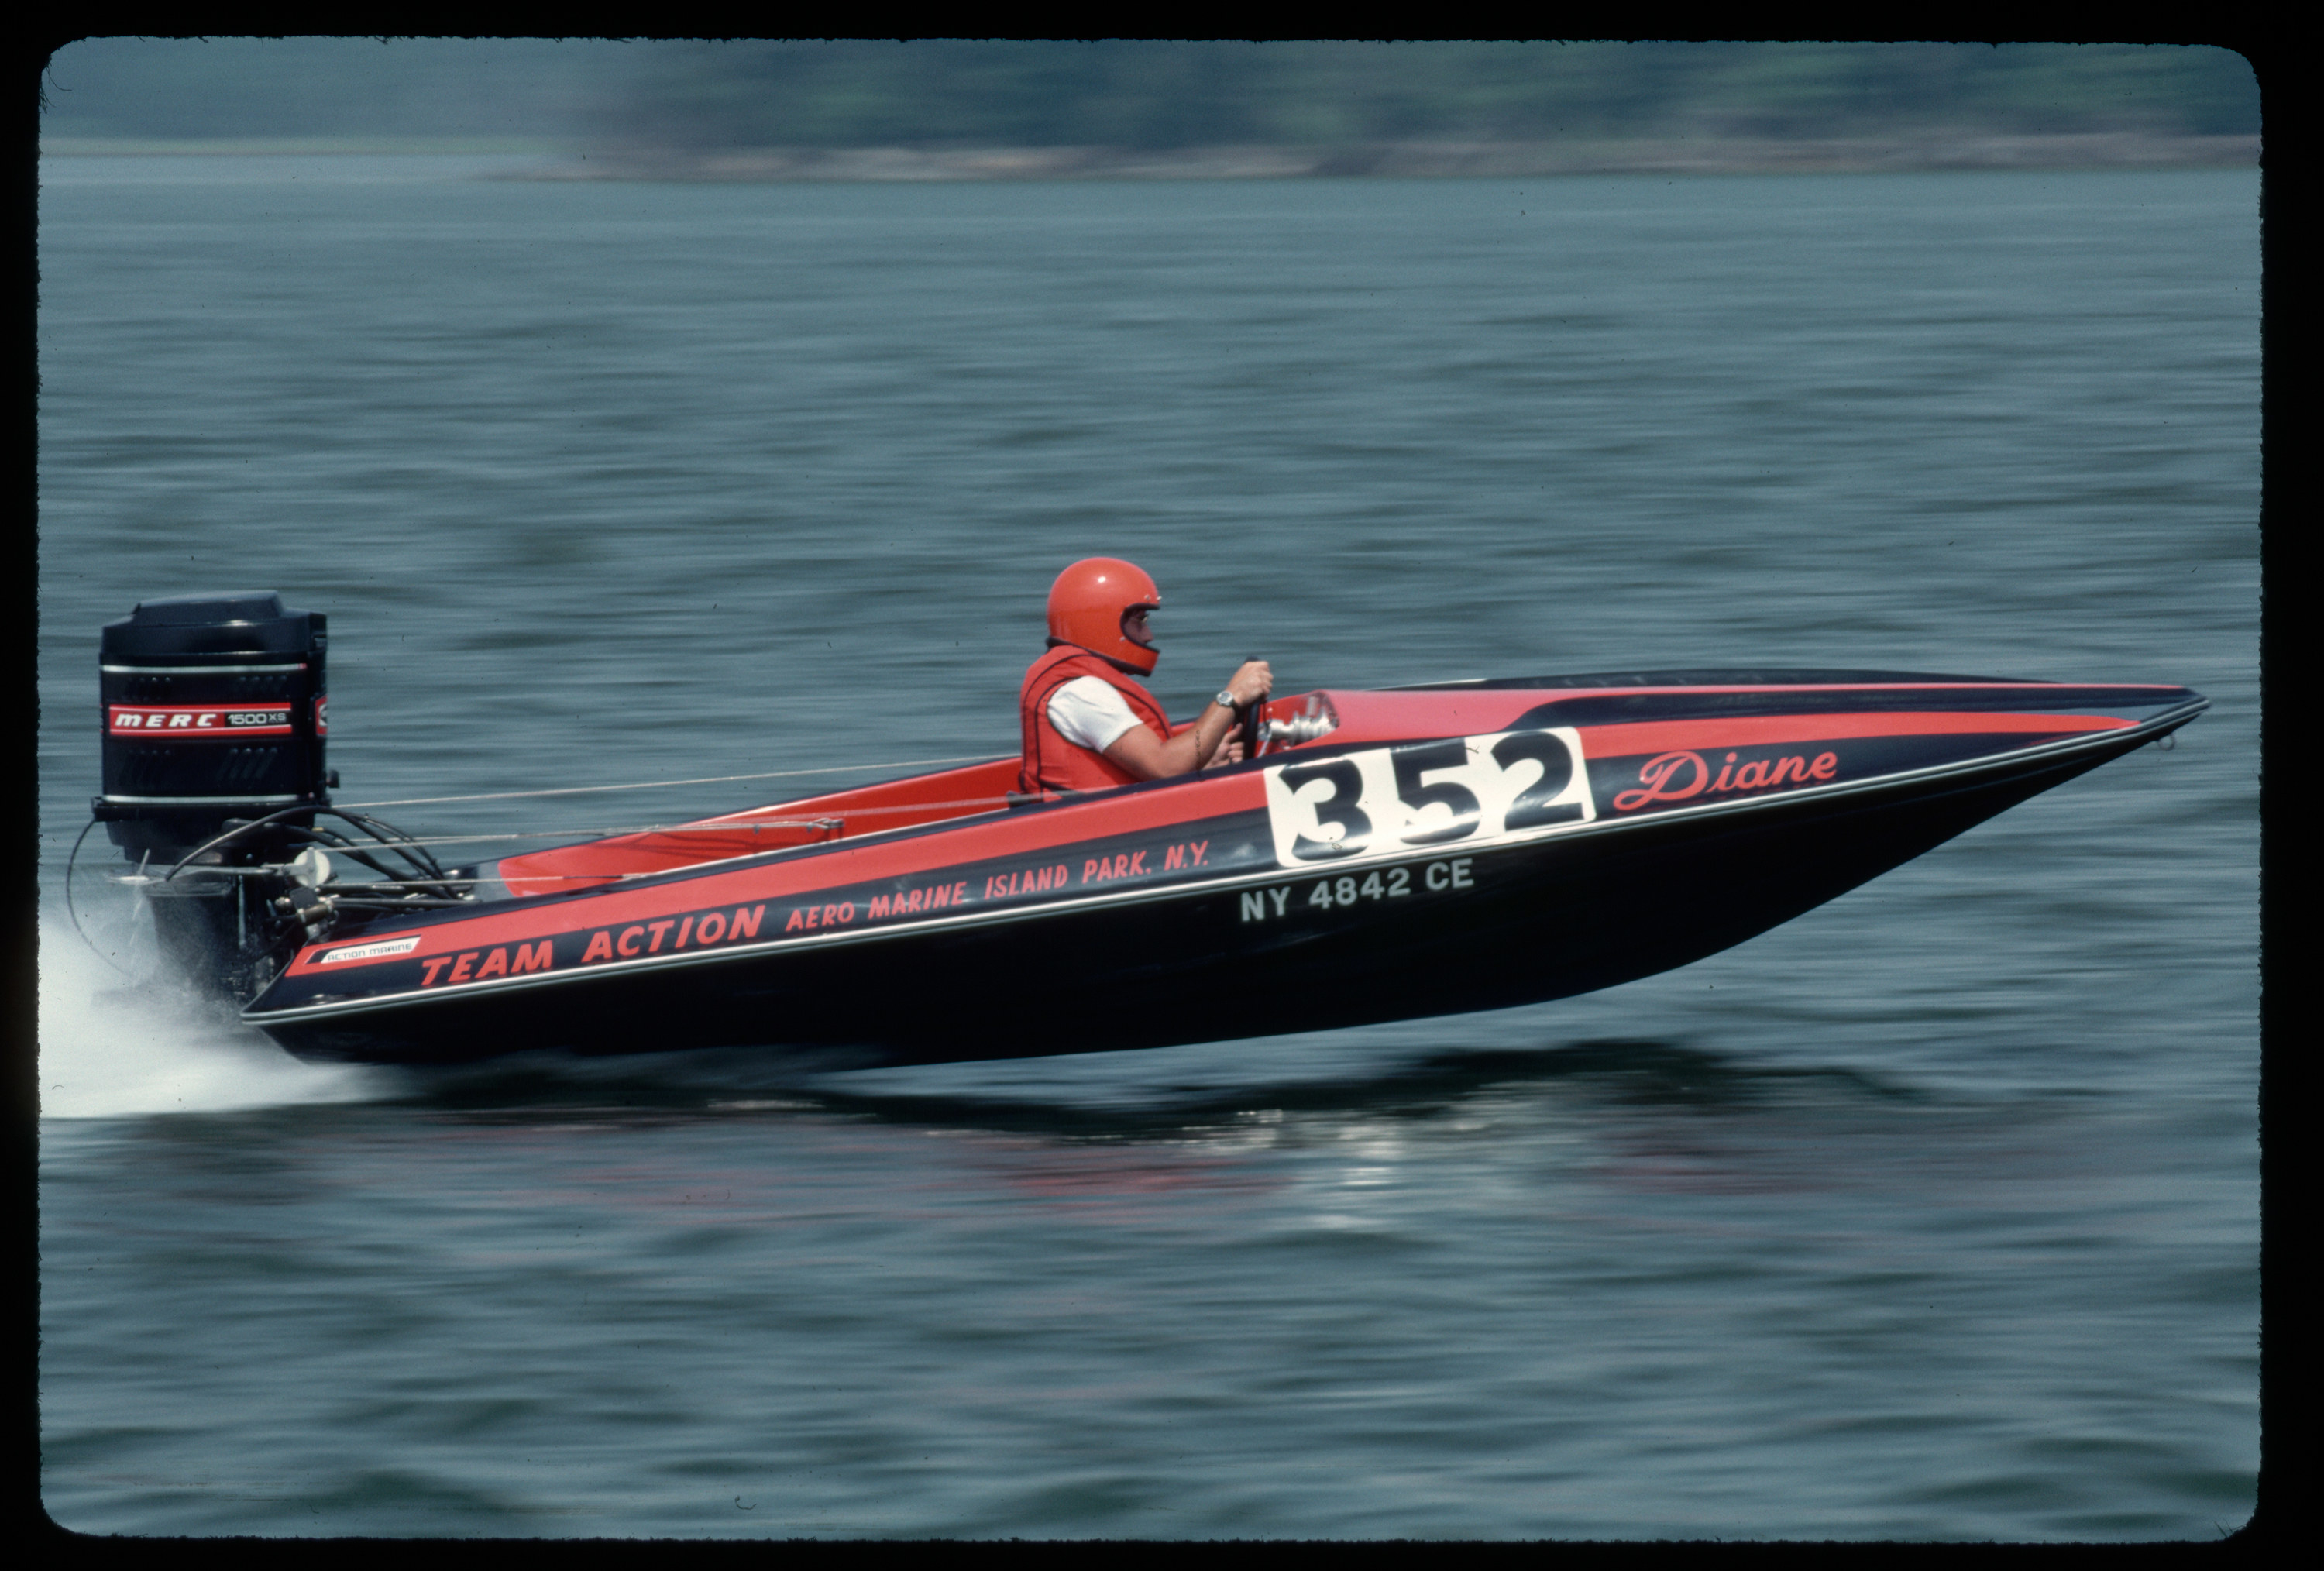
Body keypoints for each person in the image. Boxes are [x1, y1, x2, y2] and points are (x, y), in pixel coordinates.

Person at [1018, 558, 1272, 796]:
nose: (1148, 635)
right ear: (1101, 621)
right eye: (1140, 621)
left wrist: (1205, 762)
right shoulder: (1081, 693)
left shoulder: (1079, 685)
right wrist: (1232, 697)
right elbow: (1165, 767)